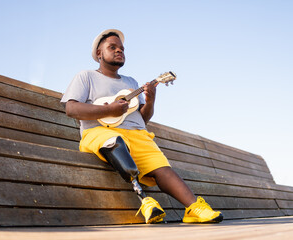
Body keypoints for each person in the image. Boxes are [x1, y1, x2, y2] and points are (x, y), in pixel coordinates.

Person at [61, 29, 223, 224]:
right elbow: (71, 108)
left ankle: (193, 208)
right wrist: (109, 110)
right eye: (112, 47)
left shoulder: (131, 83)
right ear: (98, 54)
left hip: (137, 134)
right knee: (115, 142)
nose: (119, 51)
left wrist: (151, 100)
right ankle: (145, 200)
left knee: (162, 167)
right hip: (99, 132)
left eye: (122, 48)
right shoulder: (86, 76)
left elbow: (142, 118)